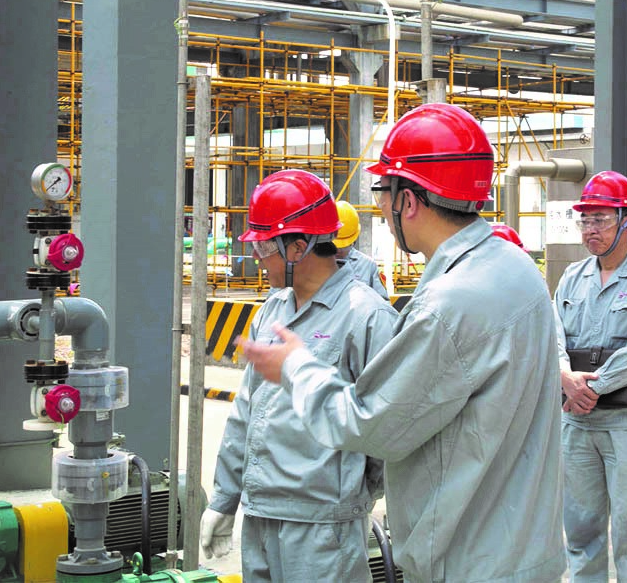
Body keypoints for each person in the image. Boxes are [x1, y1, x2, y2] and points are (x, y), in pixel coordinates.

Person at [240, 103, 566, 583]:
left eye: (383, 192)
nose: (381, 208)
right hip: (521, 550)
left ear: (408, 201)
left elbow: (372, 425)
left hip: (466, 561)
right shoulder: (516, 269)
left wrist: (295, 368)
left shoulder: (448, 304)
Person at [199, 169, 397, 582]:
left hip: (323, 527)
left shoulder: (366, 317)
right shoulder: (272, 310)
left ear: (298, 247)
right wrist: (224, 499)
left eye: (264, 247)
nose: (257, 258)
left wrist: (350, 496)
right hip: (261, 513)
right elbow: (246, 413)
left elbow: (387, 427)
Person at [554, 170, 627, 581]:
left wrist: (590, 387)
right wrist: (565, 377)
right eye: (585, 220)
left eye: (601, 219)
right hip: (577, 425)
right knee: (580, 530)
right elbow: (553, 336)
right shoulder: (571, 278)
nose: (591, 229)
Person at [335, 199, 389, 299]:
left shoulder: (367, 266)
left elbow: (383, 301)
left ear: (354, 239)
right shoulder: (316, 264)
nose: (339, 250)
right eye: (335, 245)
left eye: (344, 245)